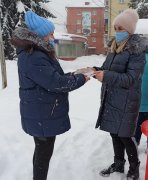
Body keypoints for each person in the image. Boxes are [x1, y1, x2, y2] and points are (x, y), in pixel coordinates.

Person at [11, 11, 89, 180]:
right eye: (50, 33)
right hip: (42, 113)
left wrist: (74, 74)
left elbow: (51, 77)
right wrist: (82, 78)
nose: (53, 36)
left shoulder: (35, 53)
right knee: (43, 154)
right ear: (40, 35)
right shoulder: (35, 56)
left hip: (41, 111)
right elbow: (56, 83)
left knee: (41, 151)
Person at [92, 9, 148, 180]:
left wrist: (107, 76)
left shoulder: (137, 51)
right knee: (113, 132)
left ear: (129, 30)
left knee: (125, 134)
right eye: (115, 27)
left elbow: (131, 78)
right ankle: (118, 163)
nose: (117, 31)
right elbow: (109, 69)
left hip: (127, 100)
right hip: (112, 97)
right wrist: (97, 71)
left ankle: (134, 167)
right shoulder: (114, 48)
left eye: (121, 28)